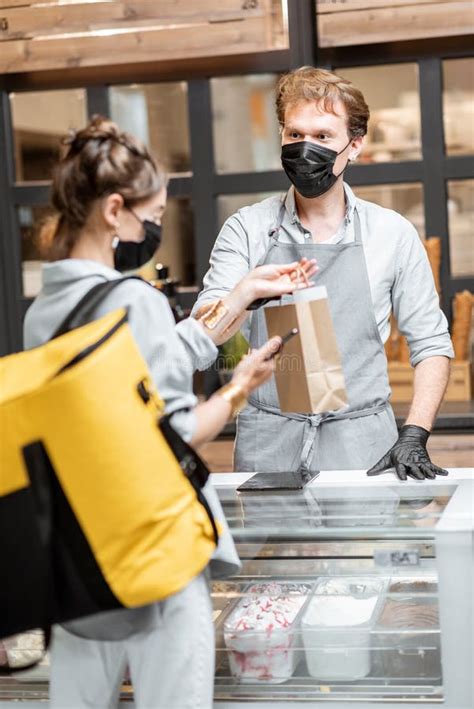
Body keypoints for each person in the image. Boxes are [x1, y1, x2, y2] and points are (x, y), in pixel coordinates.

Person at [23, 116, 317, 708]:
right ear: (113, 211)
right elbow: (178, 433)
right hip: (156, 549)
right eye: (152, 218)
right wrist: (239, 387)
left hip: (84, 551)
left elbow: (147, 368)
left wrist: (239, 297)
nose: (155, 228)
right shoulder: (133, 299)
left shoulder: (45, 309)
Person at [193, 66, 454, 482]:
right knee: (269, 549)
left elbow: (431, 343)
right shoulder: (247, 229)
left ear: (354, 146)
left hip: (364, 445)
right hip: (270, 443)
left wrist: (415, 433)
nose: (305, 148)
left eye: (322, 137)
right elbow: (205, 336)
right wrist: (242, 296)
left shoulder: (392, 233)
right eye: (295, 135)